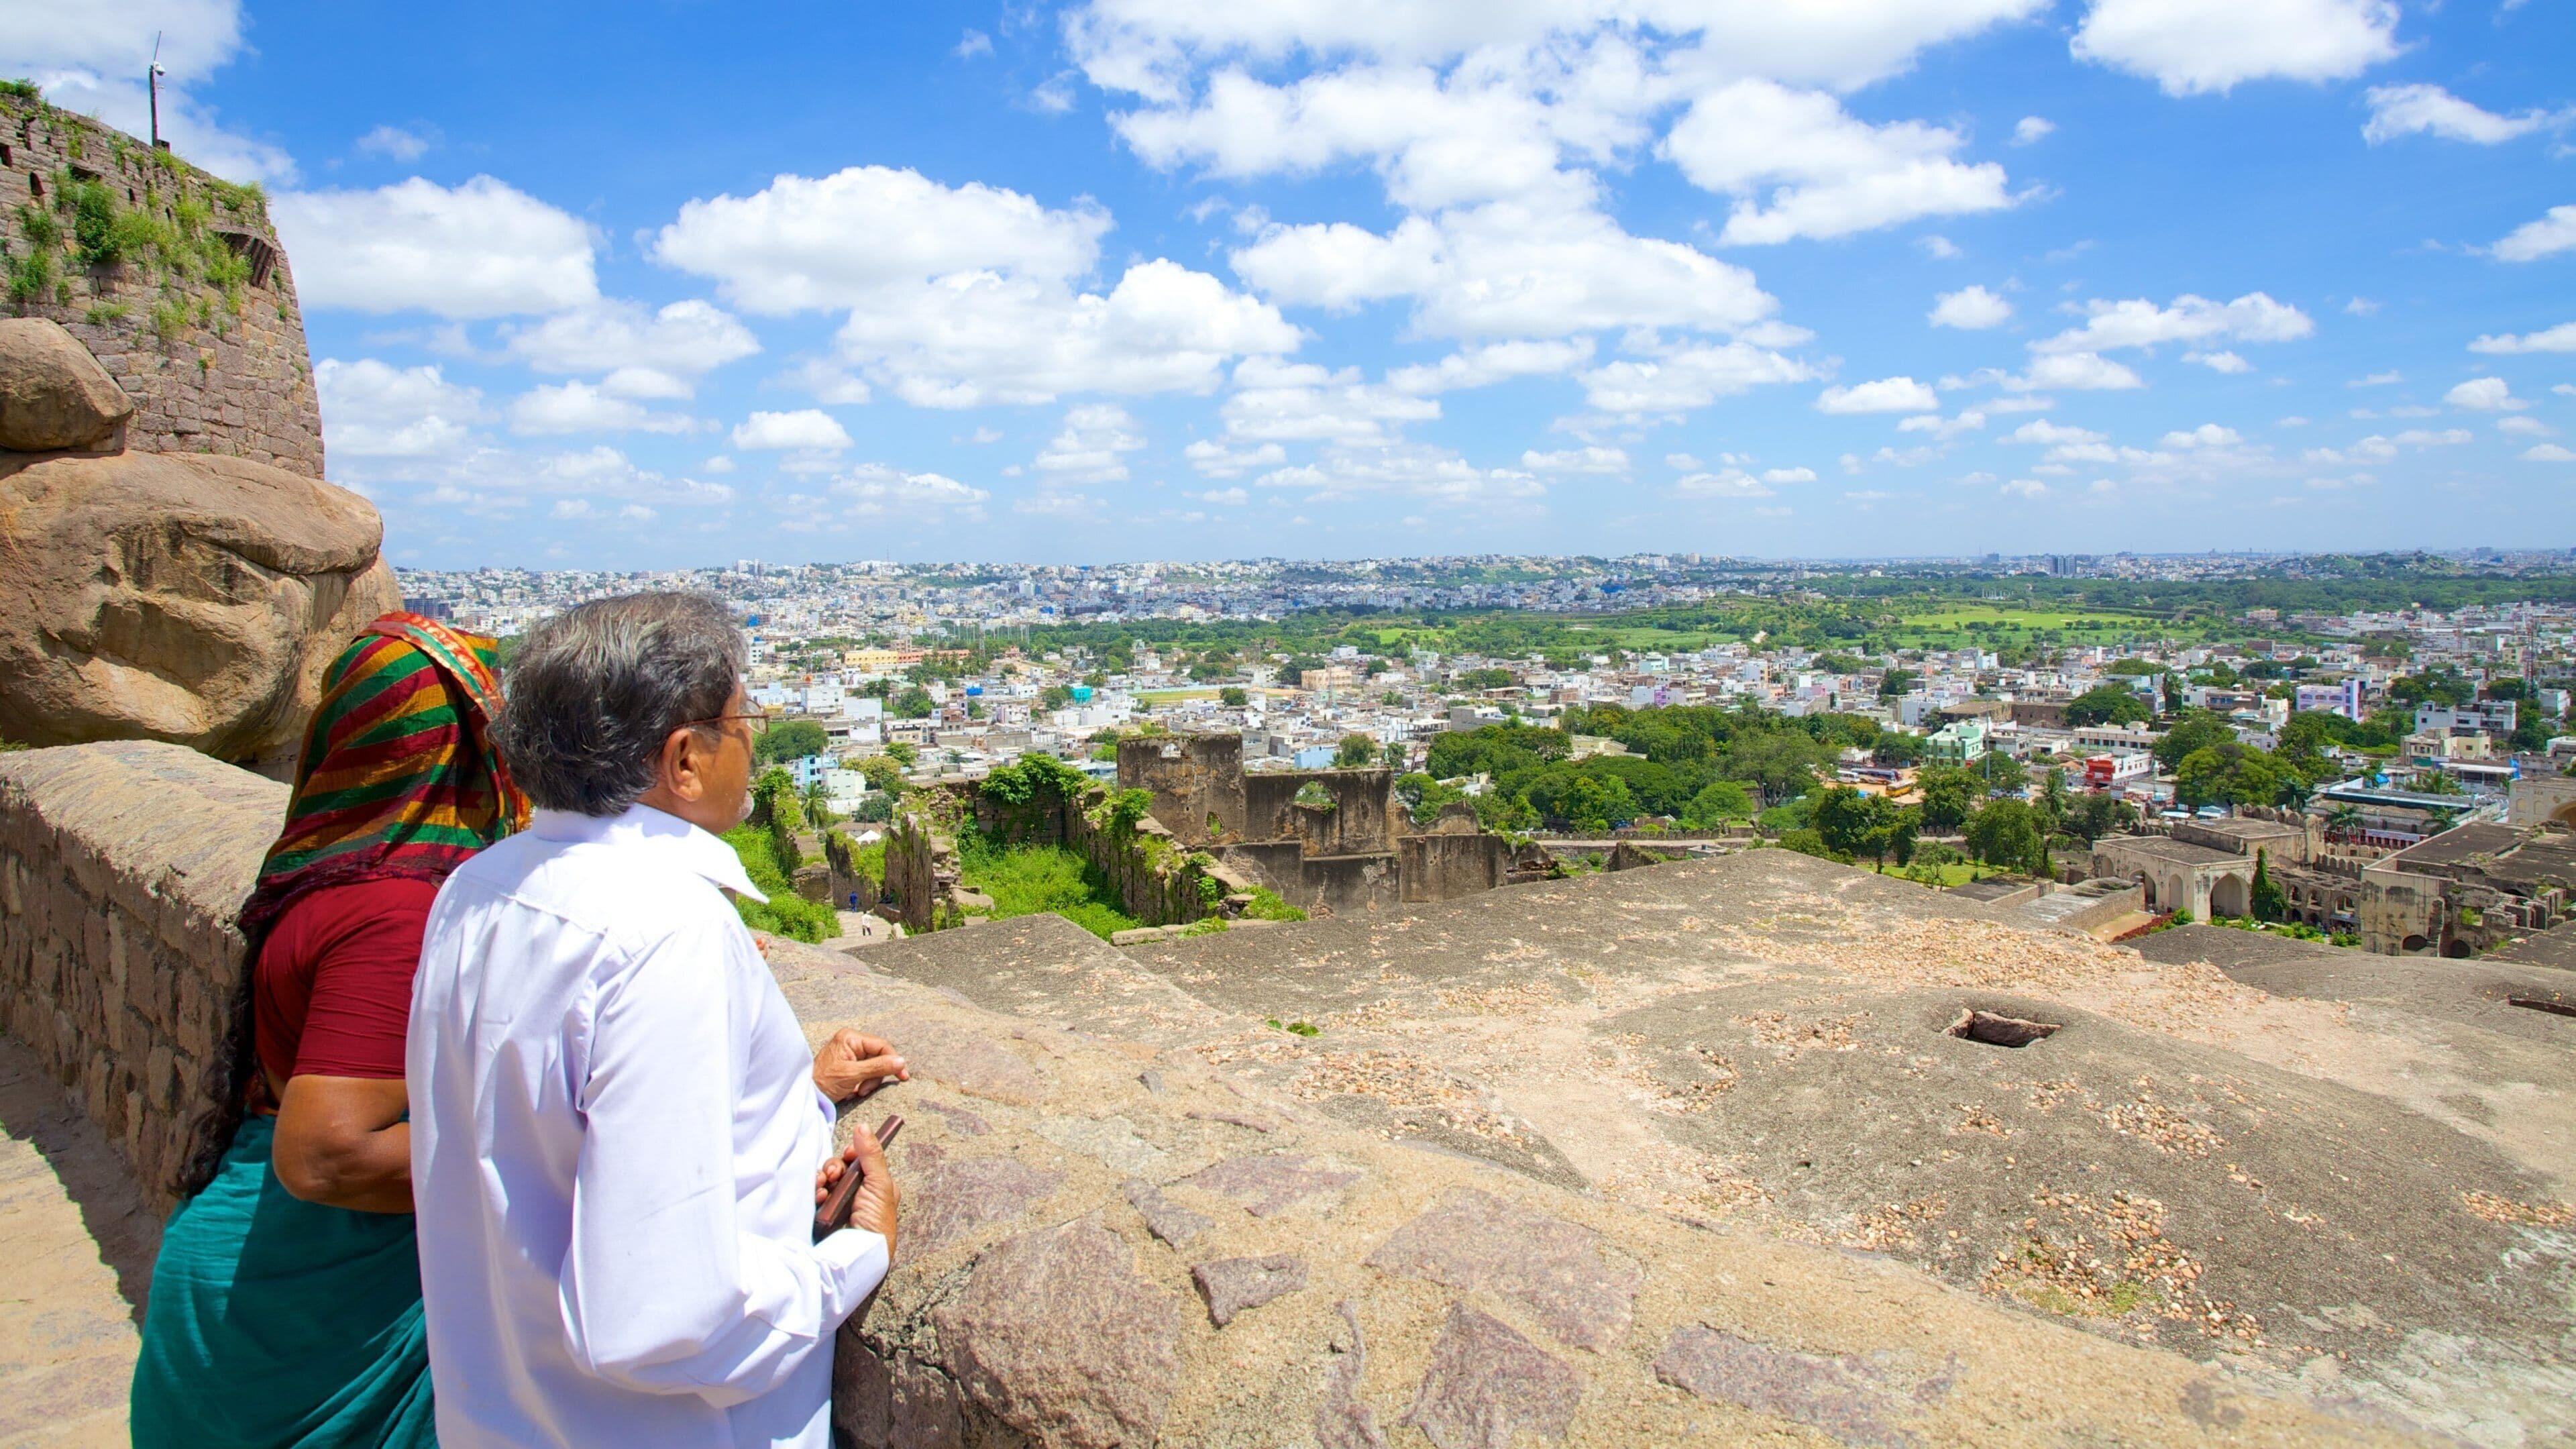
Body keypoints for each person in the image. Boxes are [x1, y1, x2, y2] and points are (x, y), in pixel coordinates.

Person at [408, 592, 906, 1448]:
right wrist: (856, 1260)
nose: (750, 739)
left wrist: (793, 1097)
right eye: (739, 718)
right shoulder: (664, 927)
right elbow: (660, 1321)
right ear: (684, 759)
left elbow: (549, 1132)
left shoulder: (477, 890)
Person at [133, 612, 530, 1448]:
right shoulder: (396, 911)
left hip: (257, 1297)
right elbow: (327, 1155)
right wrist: (565, 1151)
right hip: (315, 1324)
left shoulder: (333, 865)